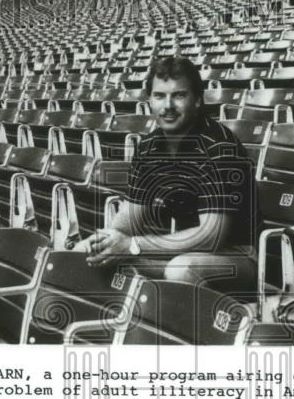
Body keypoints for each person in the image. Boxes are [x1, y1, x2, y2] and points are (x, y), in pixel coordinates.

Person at [76, 56, 258, 292]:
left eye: (179, 95)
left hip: (238, 256)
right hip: (183, 251)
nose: (168, 106)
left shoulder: (220, 147)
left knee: (180, 269)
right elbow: (129, 219)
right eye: (159, 96)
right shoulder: (150, 147)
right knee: (84, 253)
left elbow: (211, 236)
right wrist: (107, 242)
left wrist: (131, 245)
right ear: (150, 100)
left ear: (198, 100)